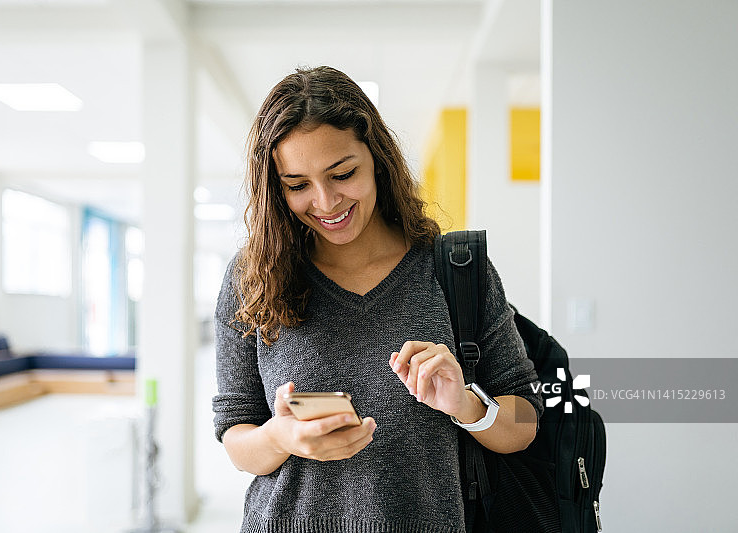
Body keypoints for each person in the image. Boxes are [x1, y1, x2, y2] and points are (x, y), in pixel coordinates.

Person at [212, 65, 543, 533]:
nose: (325, 202)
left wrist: (466, 404)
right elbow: (236, 434)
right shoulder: (253, 277)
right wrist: (281, 437)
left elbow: (525, 423)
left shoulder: (455, 272)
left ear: (377, 161)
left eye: (342, 173)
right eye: (298, 185)